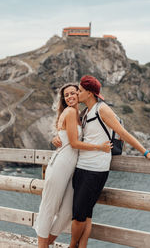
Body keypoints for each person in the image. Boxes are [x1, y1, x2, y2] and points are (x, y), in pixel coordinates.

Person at [53, 75, 150, 248]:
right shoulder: (85, 113)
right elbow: (72, 134)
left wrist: (146, 152)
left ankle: (72, 245)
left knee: (79, 215)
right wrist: (57, 137)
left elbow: (123, 132)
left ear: (89, 93)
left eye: (80, 91)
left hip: (96, 170)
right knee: (86, 213)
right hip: (81, 167)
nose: (77, 94)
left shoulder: (102, 109)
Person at [34, 83, 112, 248]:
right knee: (49, 206)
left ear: (79, 94)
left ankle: (47, 243)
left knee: (68, 211)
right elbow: (74, 143)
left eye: (72, 93)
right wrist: (100, 147)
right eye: (66, 95)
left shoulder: (81, 114)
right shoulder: (70, 112)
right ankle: (42, 245)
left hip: (73, 167)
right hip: (61, 164)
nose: (69, 97)